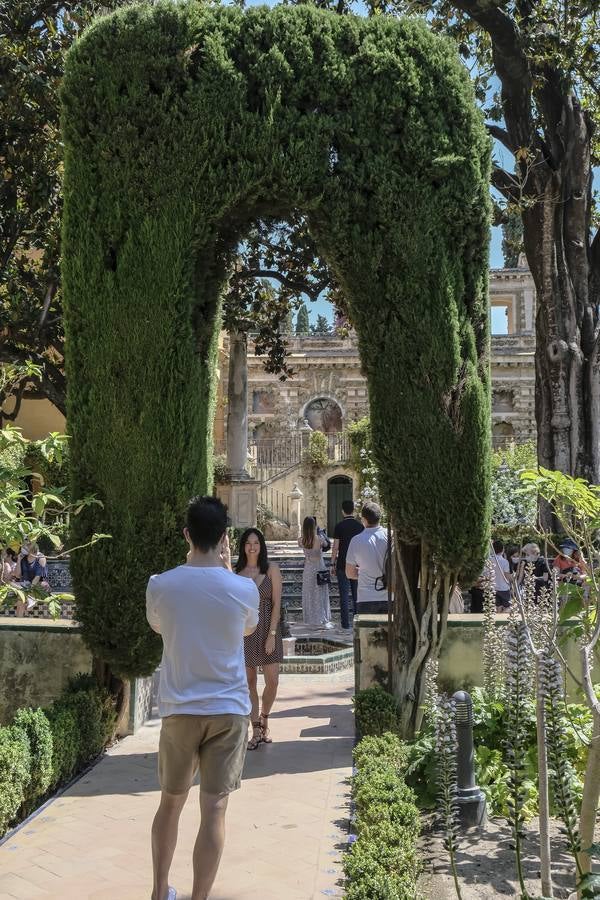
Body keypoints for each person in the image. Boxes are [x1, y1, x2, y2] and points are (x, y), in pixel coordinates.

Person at [146, 496, 260, 900]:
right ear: (225, 537)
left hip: (180, 709)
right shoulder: (243, 589)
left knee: (170, 804)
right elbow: (248, 631)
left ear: (186, 535)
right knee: (214, 809)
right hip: (228, 711)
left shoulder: (161, 585)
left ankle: (160, 892)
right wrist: (228, 573)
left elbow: (160, 626)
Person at [236, 528, 283, 750]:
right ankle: (255, 730)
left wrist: (272, 635)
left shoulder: (272, 569)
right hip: (245, 633)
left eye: (256, 542)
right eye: (248, 543)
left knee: (272, 680)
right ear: (243, 546)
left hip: (268, 629)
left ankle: (265, 717)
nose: (252, 546)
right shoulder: (237, 573)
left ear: (261, 545)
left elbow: (276, 605)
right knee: (249, 683)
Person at [345, 501, 389, 615]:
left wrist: (363, 572)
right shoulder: (391, 536)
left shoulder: (356, 540)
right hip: (389, 596)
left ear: (363, 519)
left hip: (366, 597)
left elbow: (349, 573)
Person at [331, 499, 364, 629]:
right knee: (357, 594)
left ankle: (345, 624)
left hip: (342, 564)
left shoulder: (339, 526)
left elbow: (335, 547)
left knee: (343, 595)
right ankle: (358, 622)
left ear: (342, 511)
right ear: (354, 510)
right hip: (357, 564)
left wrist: (332, 563)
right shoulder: (359, 526)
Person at [299, 516, 332, 628]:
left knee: (309, 593)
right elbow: (327, 544)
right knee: (320, 593)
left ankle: (310, 618)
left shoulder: (300, 540)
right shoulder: (319, 539)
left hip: (308, 568)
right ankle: (321, 617)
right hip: (319, 568)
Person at [13, 541, 50, 616]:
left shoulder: (41, 557)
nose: (22, 548)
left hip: (39, 584)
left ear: (32, 547)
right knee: (20, 599)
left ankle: (31, 599)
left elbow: (38, 576)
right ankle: (18, 622)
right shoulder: (23, 558)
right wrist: (19, 560)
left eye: (25, 546)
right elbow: (17, 575)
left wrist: (29, 589)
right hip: (26, 584)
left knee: (24, 592)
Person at [490, 539, 511, 610]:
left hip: (493, 588)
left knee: (497, 608)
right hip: (504, 588)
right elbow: (506, 576)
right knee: (507, 608)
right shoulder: (505, 561)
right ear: (502, 549)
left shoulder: (489, 560)